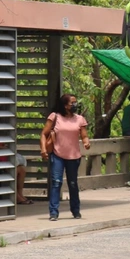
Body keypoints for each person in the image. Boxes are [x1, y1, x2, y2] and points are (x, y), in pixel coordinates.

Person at [41, 93, 91, 221]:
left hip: (74, 156)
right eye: (72, 103)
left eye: (75, 102)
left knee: (73, 183)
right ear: (65, 105)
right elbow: (44, 134)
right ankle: (53, 212)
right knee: (56, 182)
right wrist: (43, 149)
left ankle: (76, 210)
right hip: (57, 154)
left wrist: (86, 142)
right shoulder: (55, 117)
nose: (75, 105)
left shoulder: (80, 119)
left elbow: (84, 135)